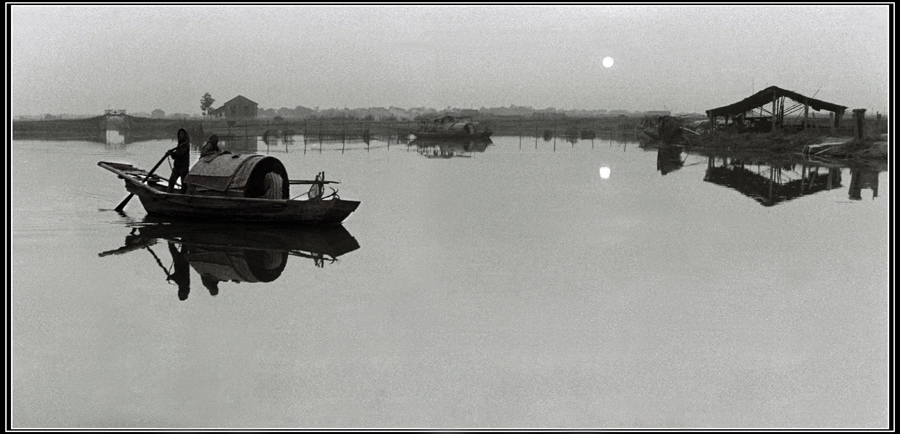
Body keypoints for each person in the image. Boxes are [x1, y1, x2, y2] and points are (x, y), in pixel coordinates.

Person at [167, 128, 191, 193]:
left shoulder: (186, 144)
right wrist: (171, 153)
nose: (180, 135)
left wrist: (172, 153)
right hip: (177, 166)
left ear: (185, 135)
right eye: (179, 134)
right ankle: (168, 194)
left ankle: (183, 197)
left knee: (184, 185)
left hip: (183, 167)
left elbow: (180, 153)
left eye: (182, 134)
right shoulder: (180, 144)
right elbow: (176, 156)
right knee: (171, 181)